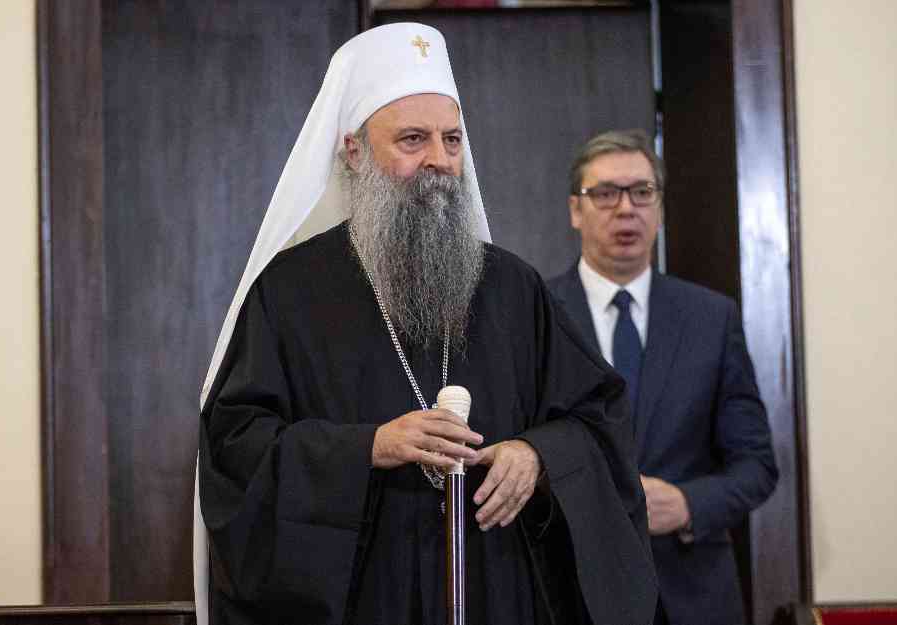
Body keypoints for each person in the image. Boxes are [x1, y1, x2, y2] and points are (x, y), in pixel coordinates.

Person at [193, 25, 657, 625]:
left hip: (495, 590)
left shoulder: (512, 288)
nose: (440, 160)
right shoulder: (288, 293)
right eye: (413, 139)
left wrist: (538, 454)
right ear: (354, 152)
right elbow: (236, 451)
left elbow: (599, 420)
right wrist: (367, 447)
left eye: (452, 139)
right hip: (367, 600)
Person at [548, 129, 779, 625]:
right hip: (571, 589)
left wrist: (688, 504)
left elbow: (757, 465)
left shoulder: (711, 318)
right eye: (605, 194)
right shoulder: (540, 313)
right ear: (575, 210)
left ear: (659, 208)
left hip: (693, 592)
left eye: (641, 192)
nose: (625, 208)